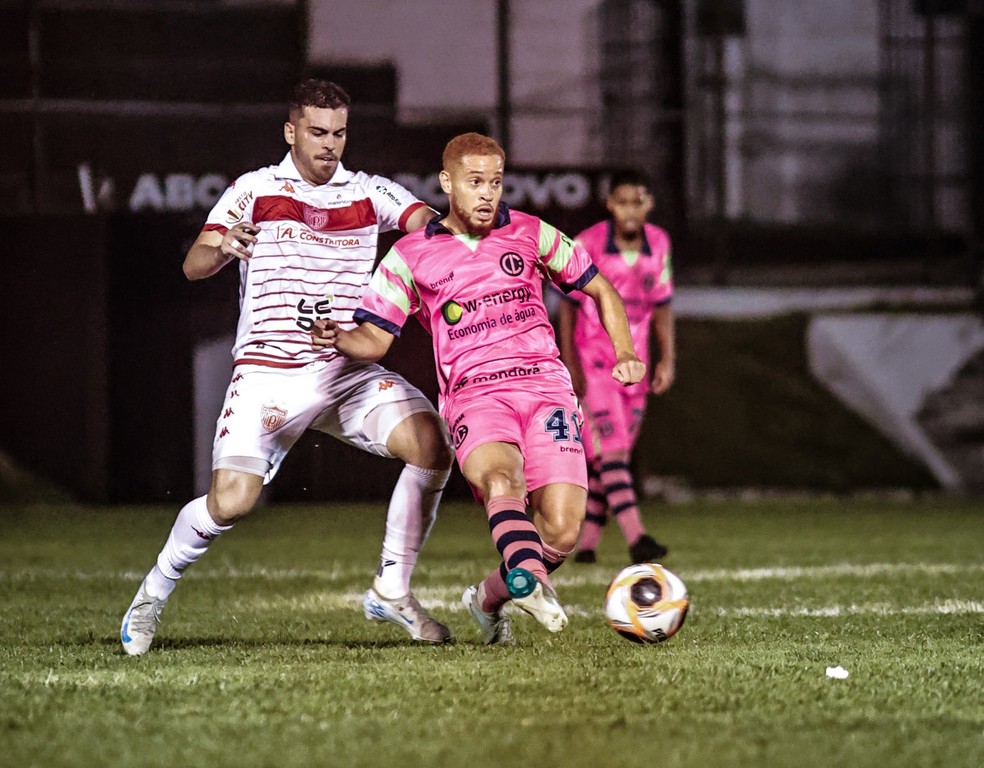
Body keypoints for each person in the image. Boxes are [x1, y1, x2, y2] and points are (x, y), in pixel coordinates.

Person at [120, 79, 454, 655]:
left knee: (433, 445)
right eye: (318, 132)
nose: (330, 144)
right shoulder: (254, 189)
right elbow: (193, 266)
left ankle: (392, 589)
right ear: (291, 131)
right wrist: (225, 246)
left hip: (343, 369)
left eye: (340, 133)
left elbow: (428, 223)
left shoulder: (369, 193)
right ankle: (152, 591)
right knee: (232, 502)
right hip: (269, 371)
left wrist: (459, 231)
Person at [311, 132, 646, 644]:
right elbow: (375, 339)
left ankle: (489, 598)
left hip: (546, 391)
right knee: (500, 482)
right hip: (476, 395)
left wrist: (625, 351)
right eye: (475, 183)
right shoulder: (409, 256)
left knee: (560, 531)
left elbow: (598, 287)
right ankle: (528, 581)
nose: (488, 193)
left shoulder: (533, 233)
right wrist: (340, 337)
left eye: (495, 182)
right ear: (447, 184)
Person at [557, 169, 675, 565]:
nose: (629, 210)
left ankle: (586, 544)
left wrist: (667, 359)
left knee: (607, 465)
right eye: (622, 201)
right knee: (614, 455)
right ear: (610, 204)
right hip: (595, 364)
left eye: (637, 201)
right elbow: (568, 307)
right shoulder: (588, 243)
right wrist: (569, 361)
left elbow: (662, 307)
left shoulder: (659, 244)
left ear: (649, 204)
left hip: (635, 368)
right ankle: (638, 539)